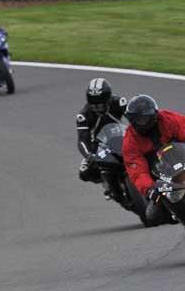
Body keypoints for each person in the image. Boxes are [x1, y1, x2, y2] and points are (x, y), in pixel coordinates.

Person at [122, 94, 185, 226]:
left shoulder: (168, 119)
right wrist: (150, 189)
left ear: (154, 114)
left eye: (144, 118)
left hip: (181, 161)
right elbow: (138, 172)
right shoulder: (130, 142)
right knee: (152, 216)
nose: (142, 122)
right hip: (159, 177)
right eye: (138, 119)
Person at [76, 78, 127, 189]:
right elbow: (82, 139)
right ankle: (108, 185)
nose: (97, 108)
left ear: (108, 99)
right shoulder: (84, 115)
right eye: (94, 105)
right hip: (99, 146)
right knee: (84, 173)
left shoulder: (119, 102)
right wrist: (89, 155)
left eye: (101, 105)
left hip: (121, 136)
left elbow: (134, 117)